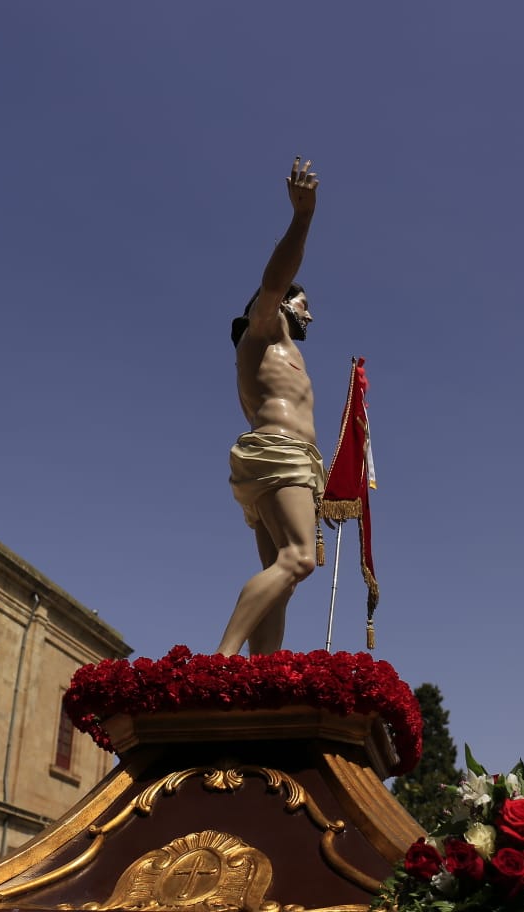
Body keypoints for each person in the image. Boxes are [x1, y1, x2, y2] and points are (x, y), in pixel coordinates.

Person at [218, 157, 322, 657]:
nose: (311, 313)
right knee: (299, 559)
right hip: (280, 451)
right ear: (279, 303)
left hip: (278, 460)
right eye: (304, 304)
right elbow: (277, 276)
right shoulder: (264, 330)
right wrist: (302, 218)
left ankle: (262, 675)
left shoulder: (281, 352)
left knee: (281, 574)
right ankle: (221, 662)